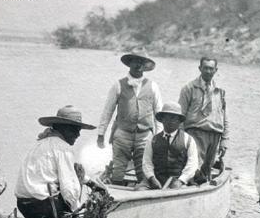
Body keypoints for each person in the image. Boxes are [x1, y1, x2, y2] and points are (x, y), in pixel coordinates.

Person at [15, 105, 96, 218]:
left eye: (79, 131)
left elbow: (69, 170)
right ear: (61, 128)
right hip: (43, 205)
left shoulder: (40, 144)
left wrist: (91, 183)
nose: (78, 135)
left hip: (24, 205)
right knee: (71, 193)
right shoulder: (63, 148)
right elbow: (69, 187)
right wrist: (77, 213)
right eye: (74, 130)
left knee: (76, 172)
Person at [96, 48, 163, 185]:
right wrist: (101, 133)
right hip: (122, 134)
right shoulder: (118, 85)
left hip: (144, 135)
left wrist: (159, 136)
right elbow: (108, 111)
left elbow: (159, 113)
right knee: (118, 168)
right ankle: (115, 194)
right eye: (135, 61)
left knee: (143, 169)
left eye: (141, 62)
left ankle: (140, 196)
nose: (138, 65)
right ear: (130, 63)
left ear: (145, 66)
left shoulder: (153, 86)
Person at [179, 57, 229, 183]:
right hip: (196, 133)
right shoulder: (189, 88)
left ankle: (205, 193)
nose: (208, 71)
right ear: (200, 68)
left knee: (207, 169)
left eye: (211, 68)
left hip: (215, 134)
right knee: (194, 168)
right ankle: (189, 191)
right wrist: (180, 138)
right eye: (205, 68)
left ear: (215, 70)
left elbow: (225, 117)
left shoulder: (220, 91)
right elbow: (180, 115)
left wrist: (224, 140)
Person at [141, 102, 199, 189]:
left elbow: (192, 164)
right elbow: (147, 162)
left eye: (173, 118)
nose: (170, 121)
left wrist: (181, 181)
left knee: (189, 192)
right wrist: (152, 178)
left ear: (179, 121)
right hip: (156, 181)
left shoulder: (188, 140)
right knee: (139, 190)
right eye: (166, 118)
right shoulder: (153, 140)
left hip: (179, 182)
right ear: (162, 120)